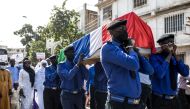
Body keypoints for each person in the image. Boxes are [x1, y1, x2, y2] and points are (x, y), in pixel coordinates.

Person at [100, 20, 141, 109]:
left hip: (135, 103)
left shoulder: (126, 48)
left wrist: (136, 52)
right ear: (111, 32)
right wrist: (130, 48)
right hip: (119, 103)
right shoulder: (108, 48)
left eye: (125, 28)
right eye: (120, 29)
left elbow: (150, 70)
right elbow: (133, 65)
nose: (124, 31)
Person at [149, 34, 189, 109]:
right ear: (161, 45)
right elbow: (160, 74)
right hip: (159, 99)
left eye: (172, 43)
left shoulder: (174, 59)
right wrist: (169, 55)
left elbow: (185, 72)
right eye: (168, 43)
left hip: (174, 99)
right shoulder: (154, 57)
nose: (171, 46)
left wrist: (174, 55)